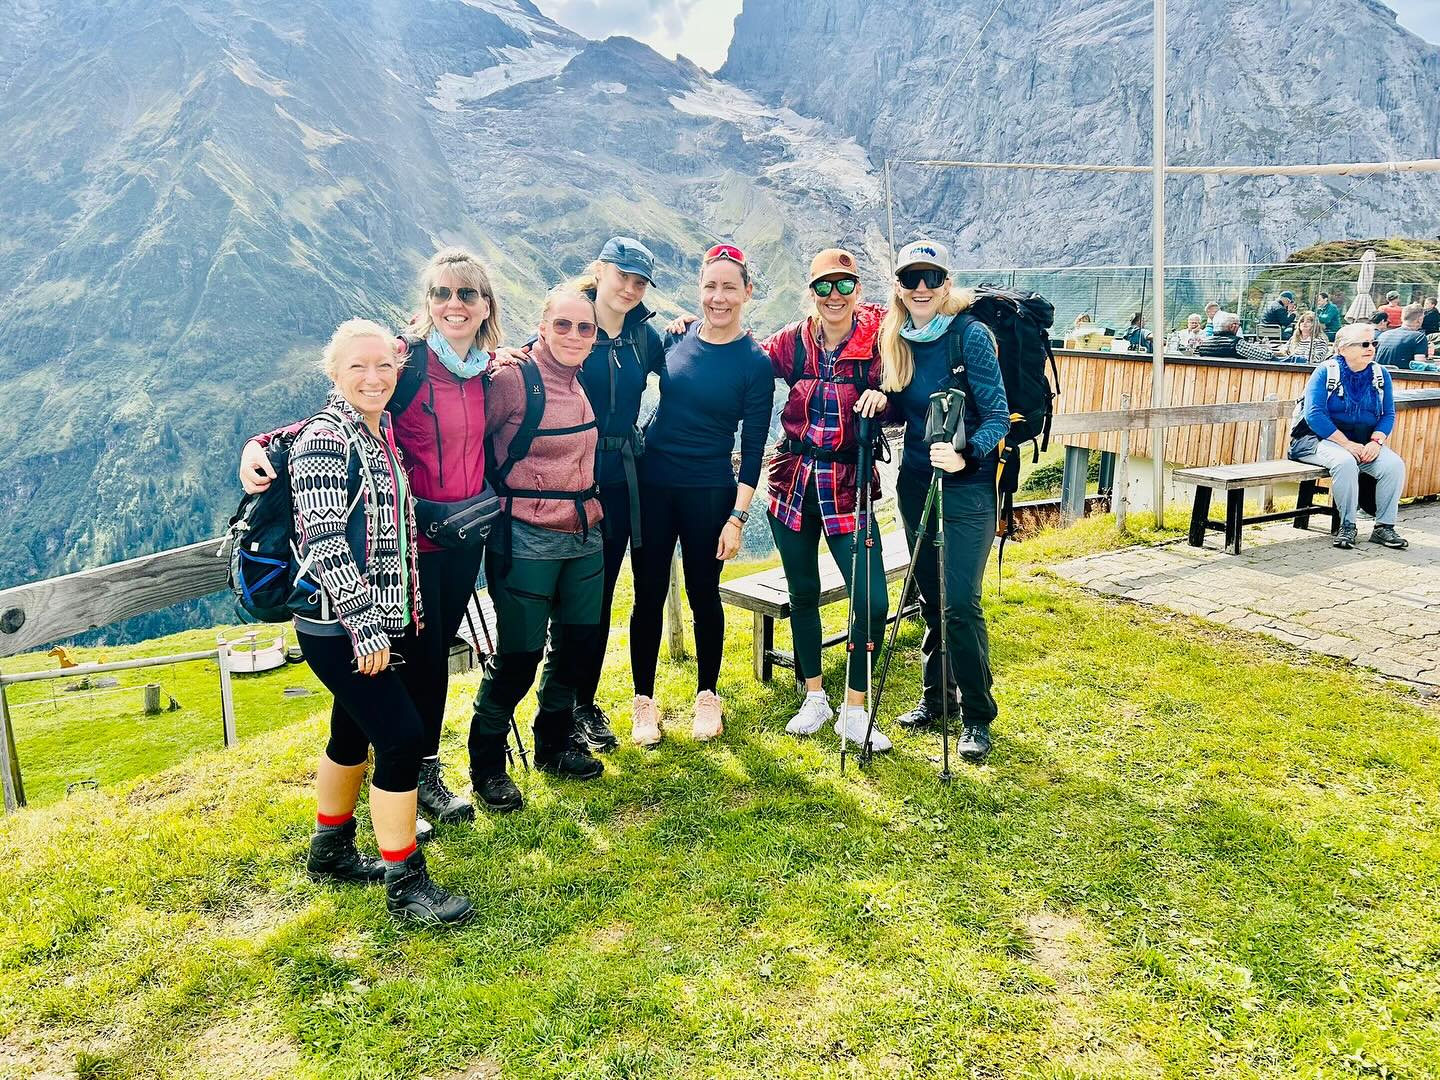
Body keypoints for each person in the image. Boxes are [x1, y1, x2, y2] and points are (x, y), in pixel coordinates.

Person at [241, 249, 503, 828]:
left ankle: (387, 790)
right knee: (412, 668)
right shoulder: (405, 364)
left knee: (431, 661)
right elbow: (336, 413)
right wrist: (259, 444)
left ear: (487, 305)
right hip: (407, 551)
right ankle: (411, 776)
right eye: (441, 293)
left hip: (460, 540)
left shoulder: (493, 372)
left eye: (467, 293)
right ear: (427, 303)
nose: (454, 304)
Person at [291, 319, 472, 925]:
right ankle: (406, 884)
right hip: (339, 625)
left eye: (384, 366)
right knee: (399, 739)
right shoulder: (326, 438)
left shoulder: (376, 430)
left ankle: (331, 850)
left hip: (366, 621)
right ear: (334, 373)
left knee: (351, 733)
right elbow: (323, 541)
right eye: (357, 367)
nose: (373, 378)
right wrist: (366, 626)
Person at [466, 286, 607, 812]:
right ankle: (486, 764)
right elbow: (461, 431)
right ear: (543, 327)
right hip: (525, 535)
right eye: (563, 325)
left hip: (585, 531)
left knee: (578, 645)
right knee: (520, 656)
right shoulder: (512, 379)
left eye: (585, 327)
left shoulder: (578, 378)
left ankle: (553, 742)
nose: (574, 335)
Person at [628, 243, 772, 745]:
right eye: (710, 286)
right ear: (699, 289)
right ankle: (643, 701)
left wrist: (737, 518)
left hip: (709, 491)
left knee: (703, 593)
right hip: (652, 484)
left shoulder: (755, 363)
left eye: (729, 287)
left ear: (747, 292)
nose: (718, 297)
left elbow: (753, 447)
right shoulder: (677, 336)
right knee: (647, 594)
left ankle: (708, 694)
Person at [755, 248, 893, 750]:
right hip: (791, 480)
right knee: (802, 593)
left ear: (857, 289)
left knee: (871, 601)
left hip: (847, 485)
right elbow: (746, 359)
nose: (834, 295)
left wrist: (886, 400)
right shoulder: (792, 341)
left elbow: (904, 388)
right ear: (811, 291)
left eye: (844, 285)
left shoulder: (880, 341)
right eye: (823, 286)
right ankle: (814, 697)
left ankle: (855, 708)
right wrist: (690, 331)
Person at [879, 239, 1009, 764]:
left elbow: (997, 417)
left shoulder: (969, 336)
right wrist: (881, 402)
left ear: (946, 284)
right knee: (932, 600)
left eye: (931, 278)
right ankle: (937, 701)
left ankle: (977, 714)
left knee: (959, 603)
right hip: (915, 485)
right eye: (911, 278)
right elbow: (905, 410)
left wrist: (966, 456)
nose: (921, 287)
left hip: (967, 487)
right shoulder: (897, 340)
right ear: (899, 288)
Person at [562, 238, 666, 752]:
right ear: (600, 270)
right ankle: (571, 702)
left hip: (627, 479)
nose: (630, 287)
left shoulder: (644, 336)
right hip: (576, 479)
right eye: (622, 275)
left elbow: (680, 381)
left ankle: (585, 702)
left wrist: (650, 434)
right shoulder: (573, 326)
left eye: (639, 281)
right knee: (587, 595)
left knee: (611, 593)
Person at [1290, 323, 1407, 551]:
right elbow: (1314, 414)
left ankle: (1384, 527)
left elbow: (1388, 414)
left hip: (1362, 442)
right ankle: (1347, 526)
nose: (1371, 348)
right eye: (1364, 344)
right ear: (1343, 349)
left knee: (1394, 465)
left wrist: (1376, 442)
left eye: (1373, 343)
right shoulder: (1326, 371)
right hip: (1316, 440)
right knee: (1345, 462)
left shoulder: (1380, 374)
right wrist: (1346, 444)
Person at [1195, 312, 1276, 360]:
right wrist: (1268, 349)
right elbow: (1266, 356)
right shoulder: (1237, 343)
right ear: (1232, 326)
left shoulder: (1204, 343)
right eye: (1239, 325)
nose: (1239, 327)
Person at [1375, 303, 1434, 368]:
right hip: (1402, 374)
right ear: (1419, 320)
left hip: (1379, 373)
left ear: (1402, 318)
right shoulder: (1419, 337)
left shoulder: (1383, 335)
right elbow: (1420, 366)